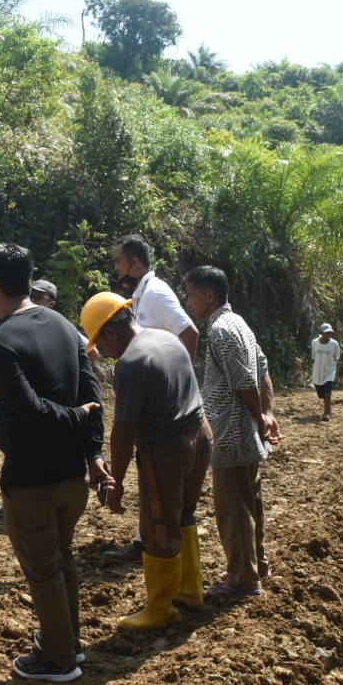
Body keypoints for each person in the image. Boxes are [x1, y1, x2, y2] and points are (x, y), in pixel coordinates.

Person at [0, 245, 107, 679]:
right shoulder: (65, 326)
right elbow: (93, 394)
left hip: (32, 478)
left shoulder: (0, 341)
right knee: (61, 558)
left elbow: (29, 409)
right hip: (72, 475)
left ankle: (57, 657)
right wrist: (93, 452)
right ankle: (69, 641)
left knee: (42, 569)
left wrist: (75, 420)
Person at [82, 292, 210, 629]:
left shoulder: (131, 363)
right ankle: (190, 589)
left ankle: (160, 607)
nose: (105, 353)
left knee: (157, 525)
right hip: (200, 435)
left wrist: (117, 482)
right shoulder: (167, 338)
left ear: (111, 332)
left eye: (101, 342)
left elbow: (123, 432)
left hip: (167, 449)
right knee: (183, 513)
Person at [184, 267, 278, 601]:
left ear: (209, 296)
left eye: (191, 295)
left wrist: (262, 417)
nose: (188, 302)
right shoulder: (238, 323)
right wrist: (267, 414)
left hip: (230, 433)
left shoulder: (222, 329)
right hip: (244, 431)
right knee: (249, 504)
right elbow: (263, 368)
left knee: (233, 510)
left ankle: (242, 581)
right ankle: (255, 565)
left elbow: (244, 382)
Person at [104, 235, 200, 564]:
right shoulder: (138, 298)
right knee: (172, 508)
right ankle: (149, 546)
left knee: (164, 507)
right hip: (178, 422)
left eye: (118, 261)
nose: (115, 267)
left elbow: (188, 333)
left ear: (136, 262)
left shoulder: (156, 292)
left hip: (168, 422)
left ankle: (160, 598)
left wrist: (174, 387)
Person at [0, 277, 100, 521]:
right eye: (33, 293)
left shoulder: (61, 327)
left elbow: (92, 351)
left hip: (54, 412)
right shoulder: (16, 329)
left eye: (41, 297)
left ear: (50, 303)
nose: (36, 299)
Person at [310, 323, 341, 421]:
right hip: (318, 371)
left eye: (329, 333)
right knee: (321, 394)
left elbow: (337, 357)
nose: (328, 335)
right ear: (321, 333)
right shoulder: (315, 342)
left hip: (329, 370)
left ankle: (326, 412)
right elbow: (313, 355)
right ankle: (328, 407)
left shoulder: (334, 344)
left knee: (328, 391)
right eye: (326, 333)